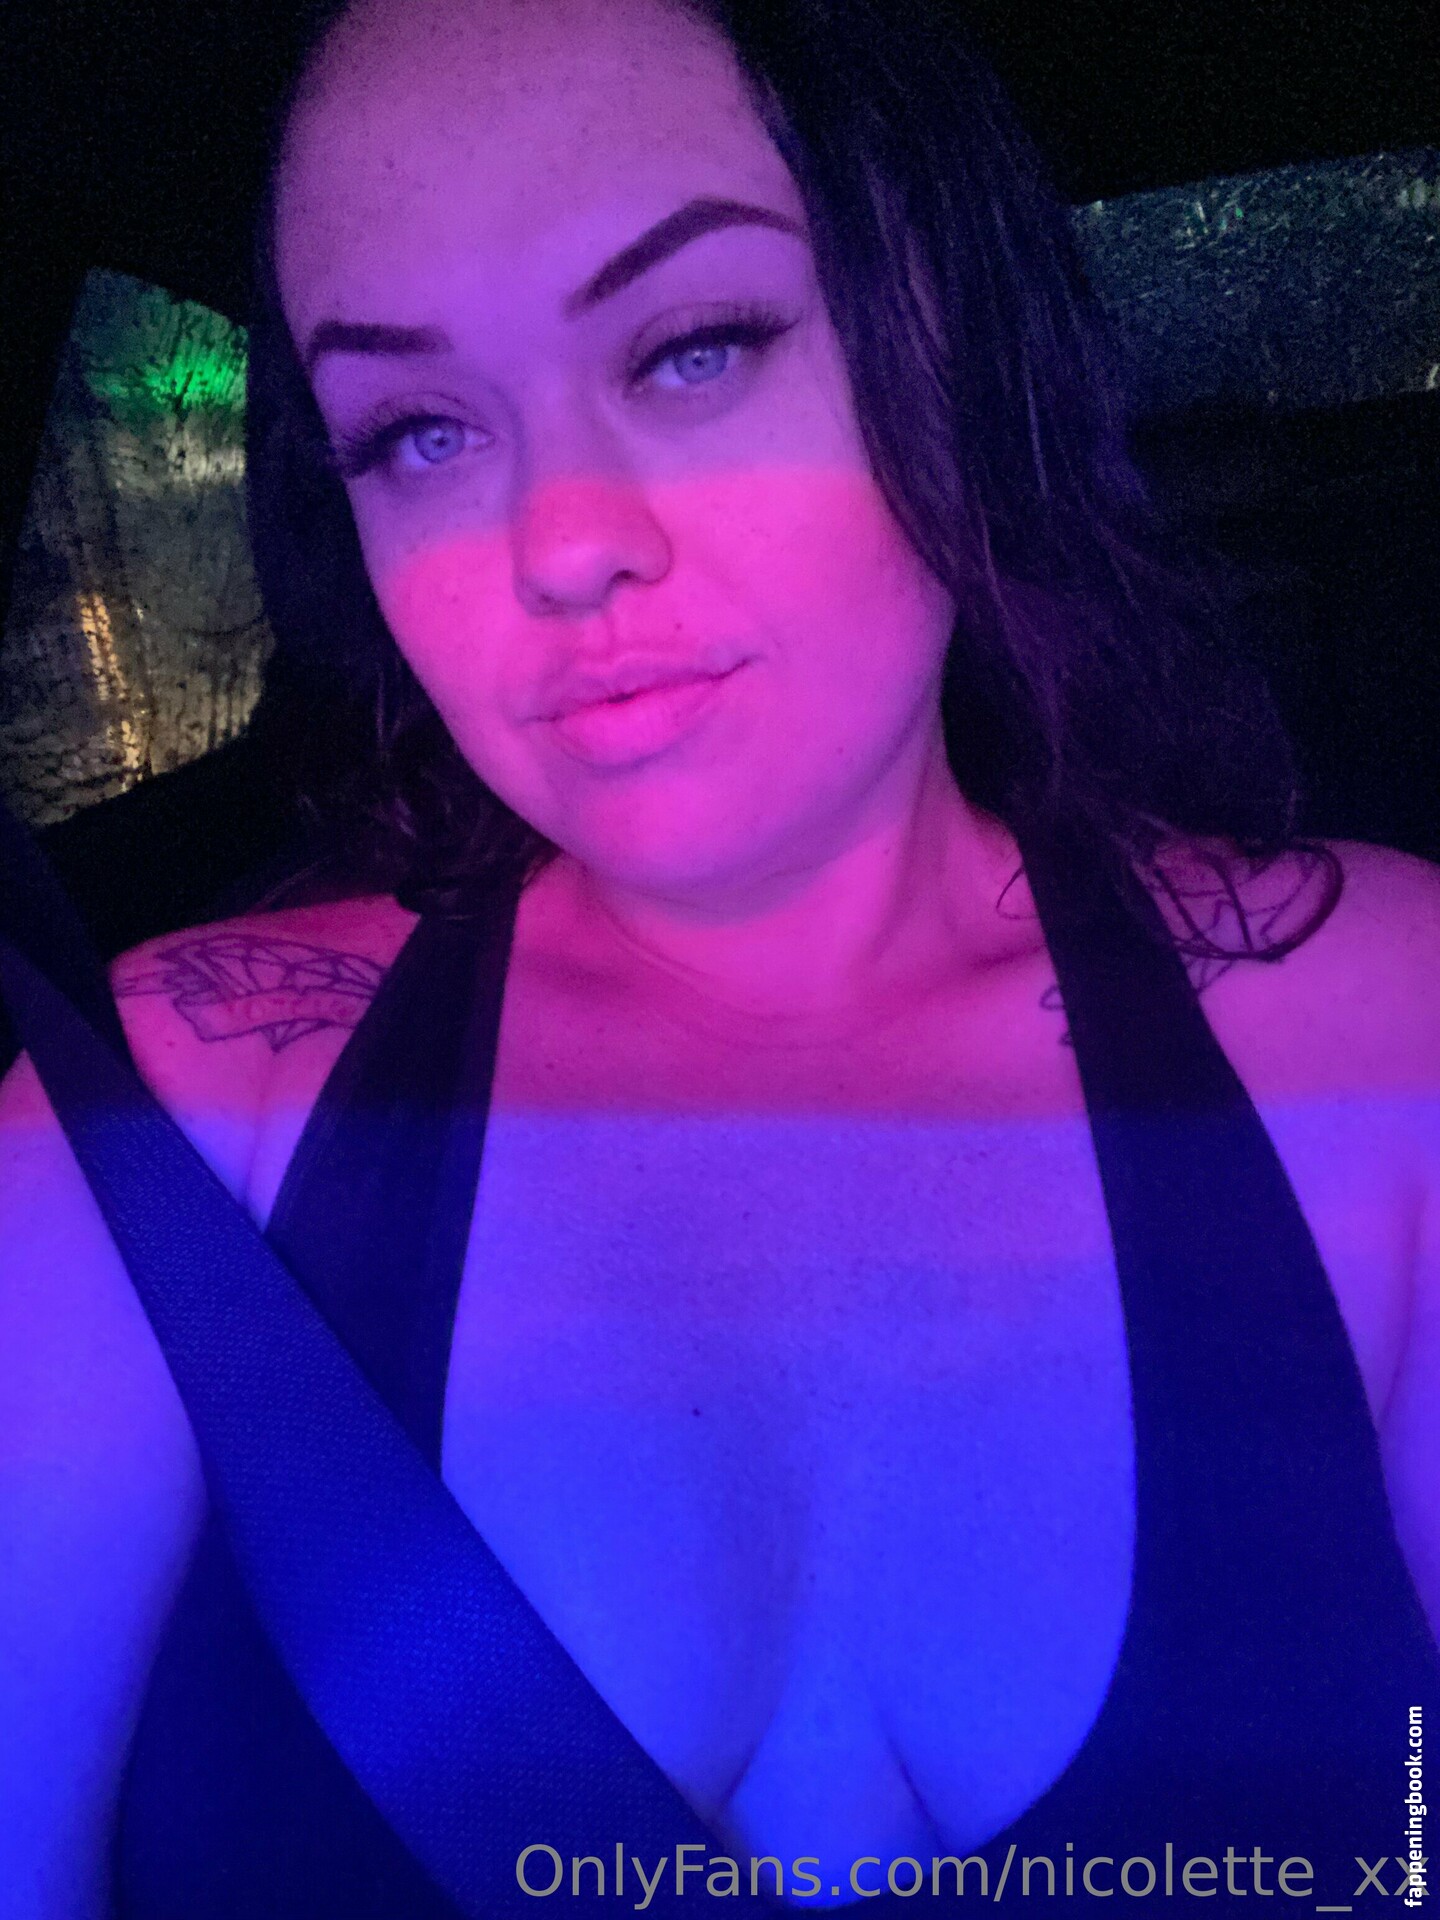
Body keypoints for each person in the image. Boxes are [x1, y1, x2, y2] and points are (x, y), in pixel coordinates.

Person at [2, 0, 1438, 1913]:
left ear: (952, 338)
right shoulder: (155, 1133)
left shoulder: (1388, 1028)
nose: (559, 544)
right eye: (420, 432)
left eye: (695, 347)